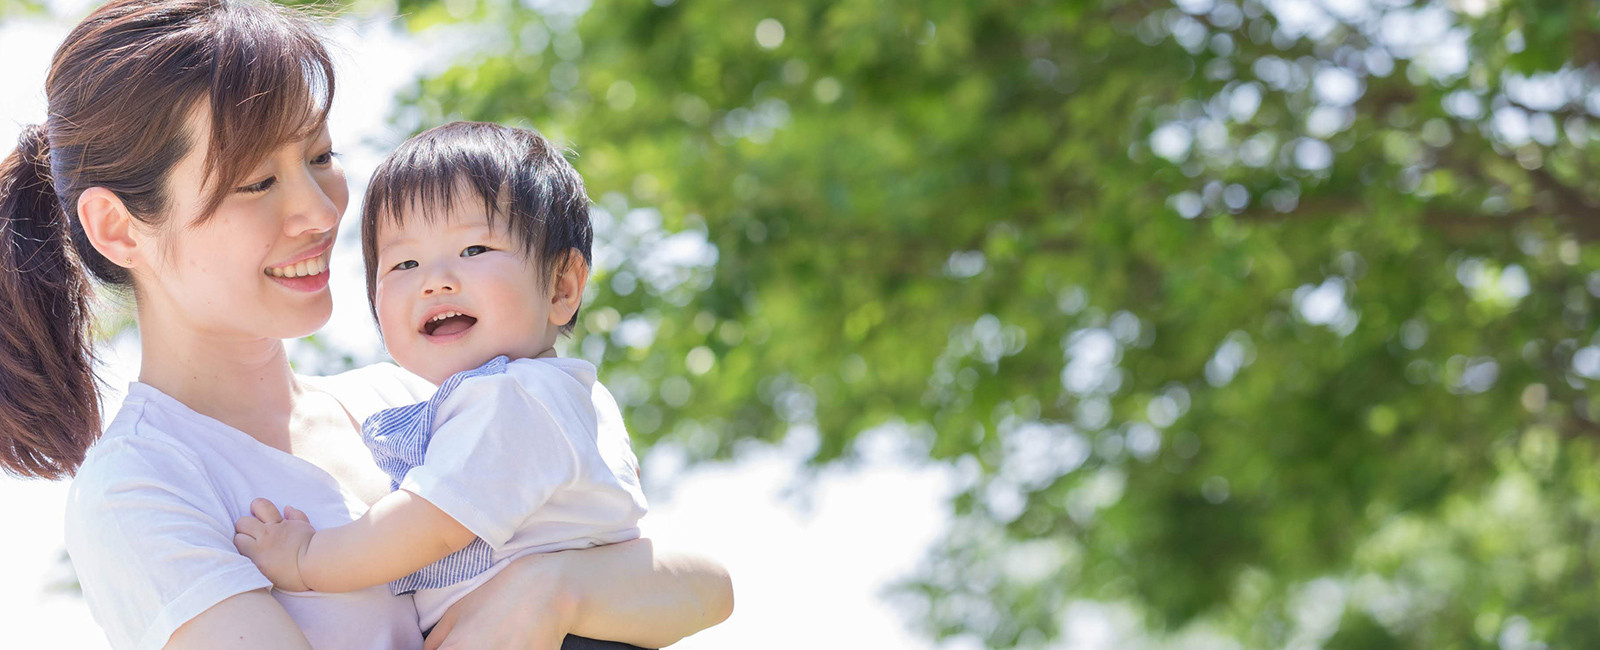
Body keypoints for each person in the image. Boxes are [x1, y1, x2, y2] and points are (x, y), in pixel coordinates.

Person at [0, 1, 732, 649]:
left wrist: (552, 592)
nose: (320, 211)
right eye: (258, 182)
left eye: (321, 157)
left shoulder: (413, 394)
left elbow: (706, 586)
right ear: (118, 228)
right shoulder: (142, 485)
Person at [232, 121, 654, 646]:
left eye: (474, 249)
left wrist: (305, 559)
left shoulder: (516, 398)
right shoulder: (559, 395)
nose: (435, 280)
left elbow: (430, 525)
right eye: (405, 263)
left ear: (561, 286)